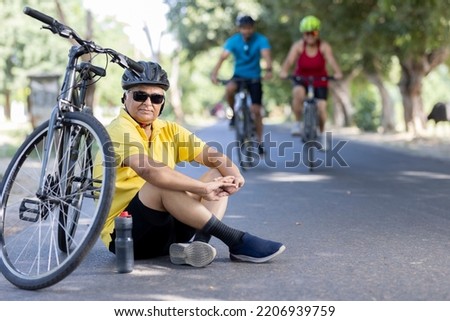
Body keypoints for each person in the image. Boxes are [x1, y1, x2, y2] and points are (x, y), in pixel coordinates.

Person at [95, 61, 285, 268]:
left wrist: (236, 175)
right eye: (140, 95)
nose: (148, 103)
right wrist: (202, 189)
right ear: (125, 99)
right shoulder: (117, 130)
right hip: (128, 234)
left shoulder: (168, 129)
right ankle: (235, 240)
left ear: (162, 104)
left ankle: (198, 247)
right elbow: (149, 171)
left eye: (156, 98)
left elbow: (212, 155)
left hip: (169, 228)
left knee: (217, 173)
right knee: (161, 181)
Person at [210, 15, 273, 154]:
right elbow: (223, 57)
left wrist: (269, 70)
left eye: (249, 28)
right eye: (244, 28)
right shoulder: (234, 41)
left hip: (255, 77)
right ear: (239, 29)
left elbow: (266, 56)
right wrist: (214, 73)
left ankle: (260, 141)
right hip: (239, 76)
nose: (246, 31)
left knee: (256, 110)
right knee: (229, 88)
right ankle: (233, 114)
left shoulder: (261, 40)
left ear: (253, 28)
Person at [279, 15, 342, 150]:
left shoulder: (324, 46)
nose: (310, 36)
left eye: (313, 32)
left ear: (317, 33)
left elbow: (331, 60)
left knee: (322, 107)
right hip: (301, 78)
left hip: (320, 79)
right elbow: (289, 61)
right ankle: (297, 123)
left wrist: (337, 73)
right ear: (303, 34)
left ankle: (322, 133)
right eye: (307, 33)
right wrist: (284, 71)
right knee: (298, 93)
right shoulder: (298, 46)